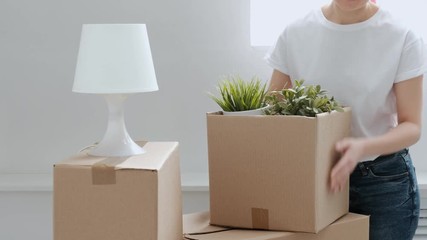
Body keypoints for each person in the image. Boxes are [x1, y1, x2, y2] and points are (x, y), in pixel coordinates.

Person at [265, 0, 426, 239]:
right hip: (316, 180)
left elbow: (411, 126)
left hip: (382, 183)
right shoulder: (296, 33)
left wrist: (362, 147)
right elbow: (271, 110)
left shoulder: (402, 36)